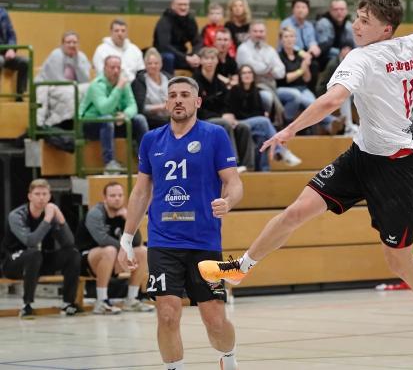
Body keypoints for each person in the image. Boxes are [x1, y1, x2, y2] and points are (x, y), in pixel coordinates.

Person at [199, 0, 413, 354]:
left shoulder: (362, 57)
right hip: (360, 156)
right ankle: (241, 266)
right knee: (296, 211)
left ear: (385, 28)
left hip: (396, 167)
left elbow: (330, 102)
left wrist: (289, 129)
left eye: (364, 20)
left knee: (398, 261)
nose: (356, 25)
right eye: (356, 17)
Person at [117, 76, 244, 370]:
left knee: (214, 319)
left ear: (197, 102)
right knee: (167, 313)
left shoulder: (214, 135)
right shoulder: (151, 140)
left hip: (204, 242)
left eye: (185, 95)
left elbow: (234, 183)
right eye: (172, 95)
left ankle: (229, 358)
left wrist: (228, 201)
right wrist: (126, 239)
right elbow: (141, 191)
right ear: (165, 102)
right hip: (163, 241)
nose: (178, 100)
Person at [1, 179, 81, 318]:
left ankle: (68, 303)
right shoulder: (17, 215)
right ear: (30, 196)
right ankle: (27, 305)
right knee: (33, 253)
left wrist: (60, 218)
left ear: (50, 196)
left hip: (38, 260)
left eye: (44, 194)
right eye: (37, 194)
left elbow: (69, 243)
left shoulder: (50, 213)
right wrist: (48, 219)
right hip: (13, 262)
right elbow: (31, 241)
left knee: (72, 254)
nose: (41, 198)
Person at [76, 181, 153, 314]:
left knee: (142, 251)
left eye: (120, 195)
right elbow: (102, 240)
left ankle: (132, 299)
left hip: (115, 258)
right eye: (112, 196)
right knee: (109, 250)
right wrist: (126, 250)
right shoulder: (96, 214)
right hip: (86, 260)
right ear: (105, 198)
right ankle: (101, 301)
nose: (117, 198)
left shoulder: (124, 213)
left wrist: (127, 218)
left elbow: (137, 242)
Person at [79, 55, 149, 173]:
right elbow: (104, 109)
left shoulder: (123, 83)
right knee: (107, 119)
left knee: (139, 119)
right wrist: (118, 88)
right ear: (105, 68)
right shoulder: (96, 85)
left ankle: (146, 159)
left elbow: (133, 106)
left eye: (118, 68)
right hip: (90, 123)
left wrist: (125, 115)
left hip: (114, 121)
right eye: (112, 67)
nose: (116, 71)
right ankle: (109, 163)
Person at [229, 64, 302, 170]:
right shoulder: (234, 90)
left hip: (254, 123)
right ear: (240, 76)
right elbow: (233, 112)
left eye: (249, 72)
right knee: (265, 122)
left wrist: (261, 116)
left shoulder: (256, 91)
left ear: (253, 75)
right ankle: (283, 152)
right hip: (238, 122)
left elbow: (259, 111)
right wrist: (260, 118)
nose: (247, 75)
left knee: (263, 137)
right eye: (244, 73)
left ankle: (263, 171)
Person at [277, 26, 345, 135]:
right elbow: (285, 78)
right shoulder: (279, 56)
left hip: (302, 88)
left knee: (314, 102)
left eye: (292, 36)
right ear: (281, 40)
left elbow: (307, 78)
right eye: (286, 37)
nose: (289, 39)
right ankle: (331, 121)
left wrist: (305, 67)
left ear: (295, 39)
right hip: (285, 89)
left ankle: (329, 126)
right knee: (302, 98)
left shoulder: (299, 55)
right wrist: (300, 70)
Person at [194, 47, 254, 170]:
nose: (210, 61)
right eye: (206, 58)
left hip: (220, 118)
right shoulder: (194, 83)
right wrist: (222, 117)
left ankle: (248, 166)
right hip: (201, 120)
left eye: (212, 58)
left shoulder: (220, 83)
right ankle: (232, 163)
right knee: (224, 123)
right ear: (201, 61)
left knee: (243, 127)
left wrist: (228, 114)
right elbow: (197, 110)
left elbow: (226, 105)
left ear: (217, 61)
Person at [153, 0, 202, 76]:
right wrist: (185, 58)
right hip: (164, 55)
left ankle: (198, 88)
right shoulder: (164, 21)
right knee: (169, 57)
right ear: (172, 5)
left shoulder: (190, 20)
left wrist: (195, 55)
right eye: (180, 4)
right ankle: (169, 86)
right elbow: (164, 46)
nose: (183, 7)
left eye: (186, 5)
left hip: (182, 56)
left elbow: (197, 41)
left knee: (204, 59)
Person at [132, 49, 172, 130]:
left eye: (156, 63)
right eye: (149, 63)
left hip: (171, 117)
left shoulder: (168, 78)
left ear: (161, 64)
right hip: (152, 119)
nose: (153, 66)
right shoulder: (139, 82)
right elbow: (140, 108)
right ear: (145, 65)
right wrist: (161, 107)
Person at [315, 0, 355, 68]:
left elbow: (353, 43)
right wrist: (340, 52)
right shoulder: (323, 23)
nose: (339, 12)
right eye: (336, 9)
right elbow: (323, 47)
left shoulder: (348, 25)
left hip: (344, 56)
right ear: (330, 11)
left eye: (342, 9)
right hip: (325, 58)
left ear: (346, 11)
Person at [0, 6, 30, 100]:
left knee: (25, 62)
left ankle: (19, 95)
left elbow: (11, 35)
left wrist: (11, 49)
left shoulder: (3, 13)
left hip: (5, 53)